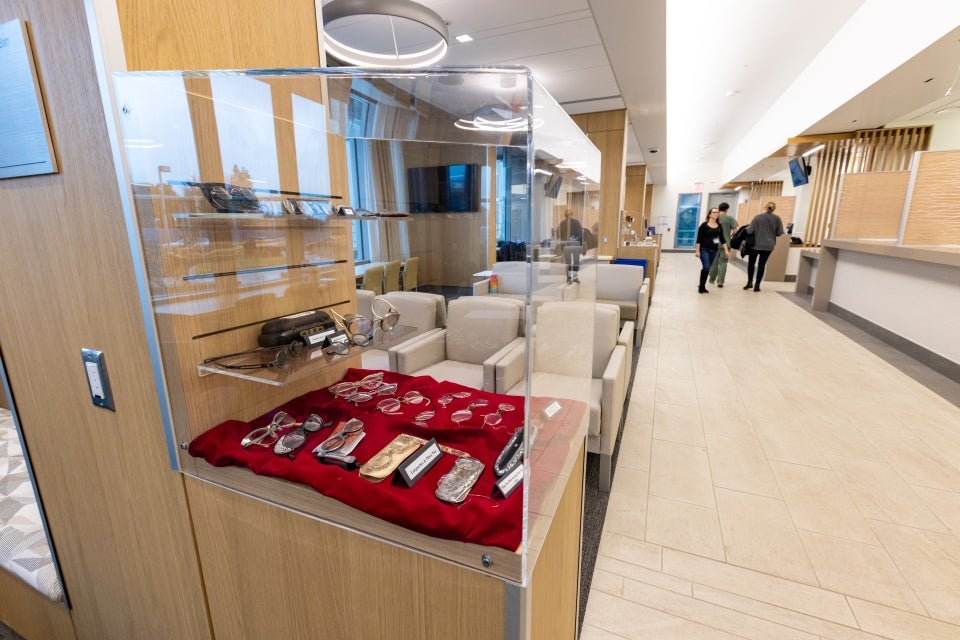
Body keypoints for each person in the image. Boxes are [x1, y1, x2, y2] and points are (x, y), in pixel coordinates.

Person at [743, 201, 785, 292]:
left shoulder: (757, 217)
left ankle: (750, 282)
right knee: (761, 265)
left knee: (751, 263)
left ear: (765, 207)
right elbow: (779, 233)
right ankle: (757, 285)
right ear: (774, 208)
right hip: (768, 246)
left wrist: (746, 228)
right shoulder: (777, 219)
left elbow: (749, 231)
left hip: (755, 245)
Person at [694, 207, 729, 294]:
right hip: (704, 249)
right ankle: (701, 286)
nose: (716, 214)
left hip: (714, 250)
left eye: (717, 212)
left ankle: (702, 286)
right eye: (714, 212)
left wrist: (726, 250)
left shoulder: (719, 226)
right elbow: (699, 239)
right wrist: (697, 251)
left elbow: (722, 239)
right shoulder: (704, 225)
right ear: (709, 214)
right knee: (706, 266)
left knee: (708, 268)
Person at [707, 202, 739, 287]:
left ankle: (711, 279)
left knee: (714, 262)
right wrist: (730, 236)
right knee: (723, 262)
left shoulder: (715, 218)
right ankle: (720, 281)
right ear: (727, 209)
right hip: (726, 243)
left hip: (715, 242)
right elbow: (735, 230)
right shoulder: (730, 218)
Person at [557, 210, 584, 283]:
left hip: (567, 245)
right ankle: (574, 277)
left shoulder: (562, 223)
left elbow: (558, 234)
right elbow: (580, 234)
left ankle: (569, 278)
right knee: (575, 261)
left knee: (569, 262)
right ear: (572, 214)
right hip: (574, 245)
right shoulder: (576, 222)